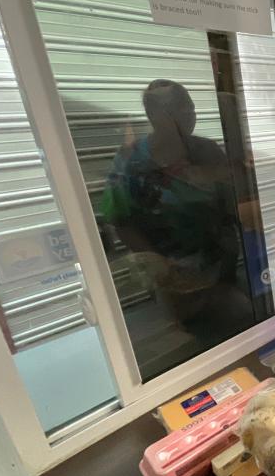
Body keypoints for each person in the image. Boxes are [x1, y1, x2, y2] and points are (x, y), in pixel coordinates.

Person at [101, 80, 251, 352]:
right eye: (176, 110)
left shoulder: (207, 151)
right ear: (153, 115)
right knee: (189, 343)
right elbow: (119, 219)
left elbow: (235, 204)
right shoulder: (130, 160)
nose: (188, 116)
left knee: (235, 326)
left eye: (189, 108)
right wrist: (160, 266)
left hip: (221, 267)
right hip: (170, 276)